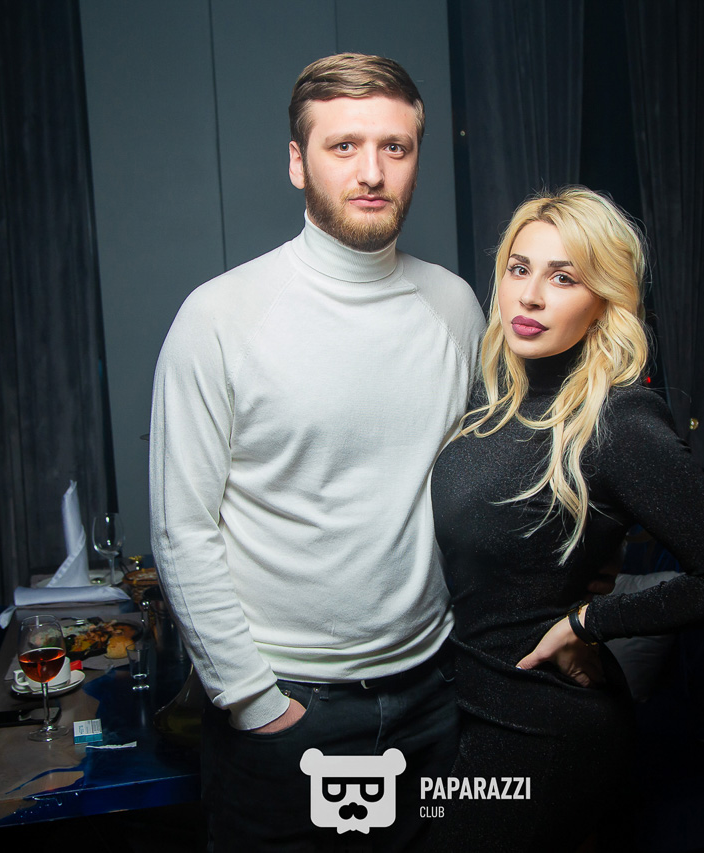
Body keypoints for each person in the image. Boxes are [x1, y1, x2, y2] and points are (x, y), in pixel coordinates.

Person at [149, 54, 484, 851]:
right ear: (298, 162)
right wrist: (252, 699)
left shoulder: (455, 305)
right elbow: (181, 527)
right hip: (286, 709)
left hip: (434, 697)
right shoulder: (219, 317)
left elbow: (481, 489)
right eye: (343, 146)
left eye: (395, 147)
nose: (372, 172)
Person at [427, 187, 704, 851]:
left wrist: (588, 622)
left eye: (563, 278)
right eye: (519, 268)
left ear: (604, 301)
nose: (529, 296)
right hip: (458, 710)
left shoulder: (619, 421)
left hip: (544, 728)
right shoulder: (487, 403)